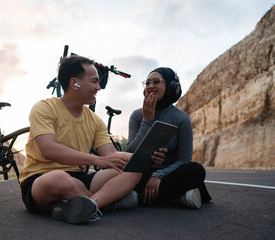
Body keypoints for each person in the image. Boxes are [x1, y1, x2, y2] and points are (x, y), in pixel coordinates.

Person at [19, 55, 166, 224]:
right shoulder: (44, 108)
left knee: (132, 171)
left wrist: (146, 159)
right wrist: (97, 160)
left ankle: (85, 206)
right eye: (95, 81)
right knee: (60, 179)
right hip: (41, 180)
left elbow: (112, 156)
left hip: (80, 179)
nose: (99, 87)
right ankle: (104, 202)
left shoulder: (95, 120)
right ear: (74, 83)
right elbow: (49, 149)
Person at [126, 67, 211, 209]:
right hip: (141, 174)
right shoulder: (137, 115)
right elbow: (129, 153)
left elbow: (184, 160)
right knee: (116, 173)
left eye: (156, 82)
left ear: (171, 87)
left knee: (196, 170)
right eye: (147, 83)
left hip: (169, 174)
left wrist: (158, 175)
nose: (151, 86)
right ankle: (177, 198)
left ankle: (141, 197)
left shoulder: (181, 118)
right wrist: (147, 120)